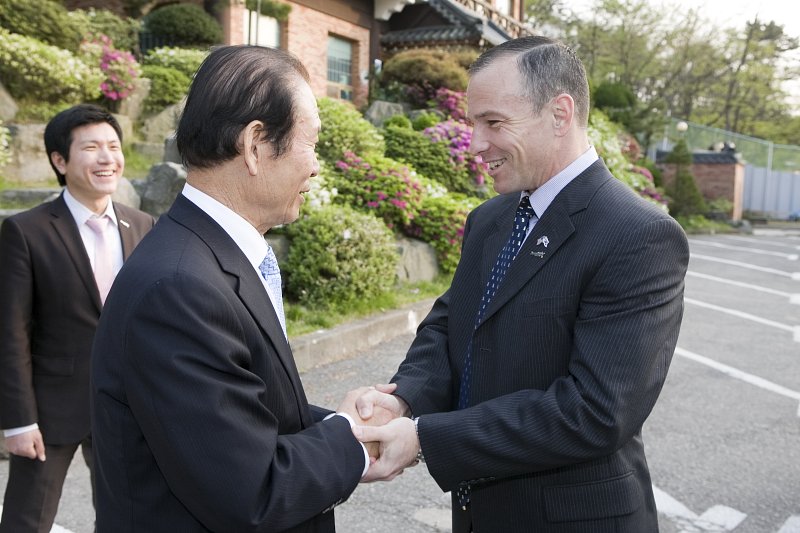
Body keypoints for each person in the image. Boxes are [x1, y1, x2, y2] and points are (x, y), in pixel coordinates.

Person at [354, 35, 690, 532]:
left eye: (494, 122)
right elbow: (449, 328)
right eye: (474, 123)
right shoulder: (490, 218)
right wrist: (402, 398)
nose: (476, 144)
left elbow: (595, 412)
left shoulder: (638, 235)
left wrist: (424, 436)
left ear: (559, 114)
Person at [90, 45, 390, 533]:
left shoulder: (208, 258)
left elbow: (240, 411)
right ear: (254, 145)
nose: (316, 167)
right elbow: (253, 490)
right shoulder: (181, 289)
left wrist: (342, 425)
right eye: (311, 144)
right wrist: (352, 442)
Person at [0, 104, 155, 532]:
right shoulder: (26, 231)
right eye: (91, 147)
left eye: (113, 146)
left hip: (128, 404)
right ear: (59, 160)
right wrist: (18, 419)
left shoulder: (143, 225)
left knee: (133, 513)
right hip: (52, 409)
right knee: (27, 518)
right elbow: (10, 332)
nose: (107, 158)